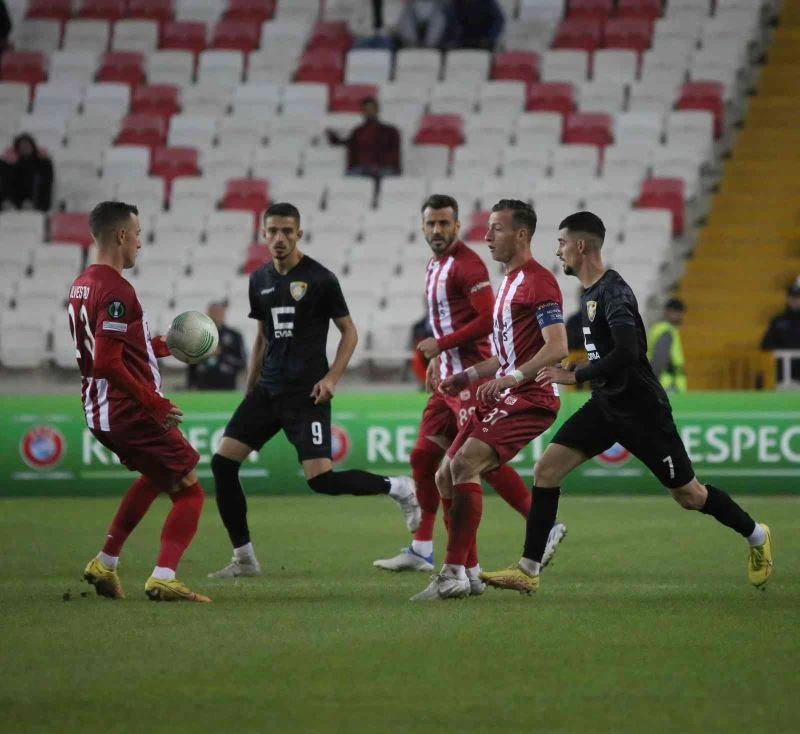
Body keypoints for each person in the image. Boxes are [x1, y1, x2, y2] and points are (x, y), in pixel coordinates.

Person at [480, 211, 773, 595]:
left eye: (562, 243)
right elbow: (608, 353)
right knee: (547, 469)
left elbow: (629, 352)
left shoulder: (613, 291)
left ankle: (755, 534)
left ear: (581, 245)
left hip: (641, 410)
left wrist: (577, 374)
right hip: (606, 406)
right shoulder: (587, 295)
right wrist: (580, 368)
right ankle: (528, 569)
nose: (559, 251)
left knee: (689, 496)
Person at [208, 202, 420, 578]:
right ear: (263, 234)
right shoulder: (258, 280)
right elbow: (261, 336)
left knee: (321, 481)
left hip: (307, 394)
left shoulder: (320, 279)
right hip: (267, 390)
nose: (279, 238)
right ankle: (244, 559)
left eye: (287, 231)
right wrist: (250, 387)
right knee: (223, 464)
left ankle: (400, 487)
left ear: (299, 234)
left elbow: (349, 332)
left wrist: (331, 378)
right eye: (272, 231)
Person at [375, 195, 566, 592]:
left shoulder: (538, 280)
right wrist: (466, 375)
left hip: (530, 397)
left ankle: (453, 572)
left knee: (464, 465)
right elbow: (505, 353)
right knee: (443, 471)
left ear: (522, 234)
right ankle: (468, 574)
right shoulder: (509, 281)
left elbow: (557, 347)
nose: (488, 235)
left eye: (497, 228)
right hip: (498, 389)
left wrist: (512, 378)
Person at [70, 201, 210, 603]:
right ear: (121, 236)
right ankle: (163, 577)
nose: (140, 243)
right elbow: (107, 362)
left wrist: (163, 347)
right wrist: (154, 404)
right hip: (128, 409)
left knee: (155, 477)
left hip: (100, 410)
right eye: (138, 234)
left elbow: (115, 347)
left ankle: (105, 562)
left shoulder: (84, 283)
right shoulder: (117, 290)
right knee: (189, 491)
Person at [325, 97, 401, 179]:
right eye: (366, 109)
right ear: (363, 112)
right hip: (363, 169)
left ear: (377, 110)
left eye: (372, 109)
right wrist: (333, 138)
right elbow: (348, 143)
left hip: (384, 168)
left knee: (383, 173)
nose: (369, 111)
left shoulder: (390, 131)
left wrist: (377, 166)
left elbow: (393, 154)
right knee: (351, 175)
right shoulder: (358, 131)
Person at [187, 300, 246, 390]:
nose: (215, 316)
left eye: (218, 313)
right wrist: (190, 384)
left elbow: (241, 363)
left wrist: (221, 354)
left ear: (223, 315)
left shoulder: (235, 336)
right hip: (202, 389)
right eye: (212, 313)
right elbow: (191, 364)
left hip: (227, 389)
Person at [0, 133, 54, 211]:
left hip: (37, 204)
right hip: (11, 203)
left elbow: (47, 184)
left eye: (27, 145)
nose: (24, 148)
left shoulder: (43, 163)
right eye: (21, 146)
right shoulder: (8, 163)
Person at [760, 278, 800, 383]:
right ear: (787, 298)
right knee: (762, 378)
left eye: (797, 297)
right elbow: (766, 344)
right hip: (782, 366)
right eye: (792, 297)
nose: (795, 300)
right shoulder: (777, 321)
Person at [647, 297, 687, 392]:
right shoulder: (666, 332)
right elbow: (659, 360)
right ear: (668, 311)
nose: (681, 315)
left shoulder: (659, 329)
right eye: (677, 312)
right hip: (668, 385)